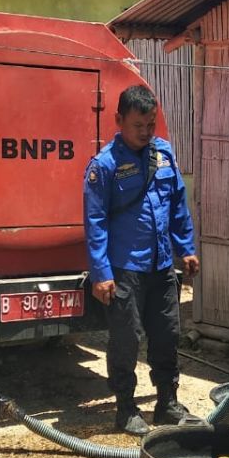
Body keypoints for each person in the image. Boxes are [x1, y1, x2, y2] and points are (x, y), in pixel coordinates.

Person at [84, 85, 200, 436]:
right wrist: (101, 274)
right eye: (139, 125)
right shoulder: (104, 165)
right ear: (119, 120)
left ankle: (167, 402)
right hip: (124, 270)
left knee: (167, 335)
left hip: (161, 265)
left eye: (151, 124)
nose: (147, 132)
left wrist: (187, 247)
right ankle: (126, 408)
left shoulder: (163, 154)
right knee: (127, 340)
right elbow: (95, 221)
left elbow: (178, 204)